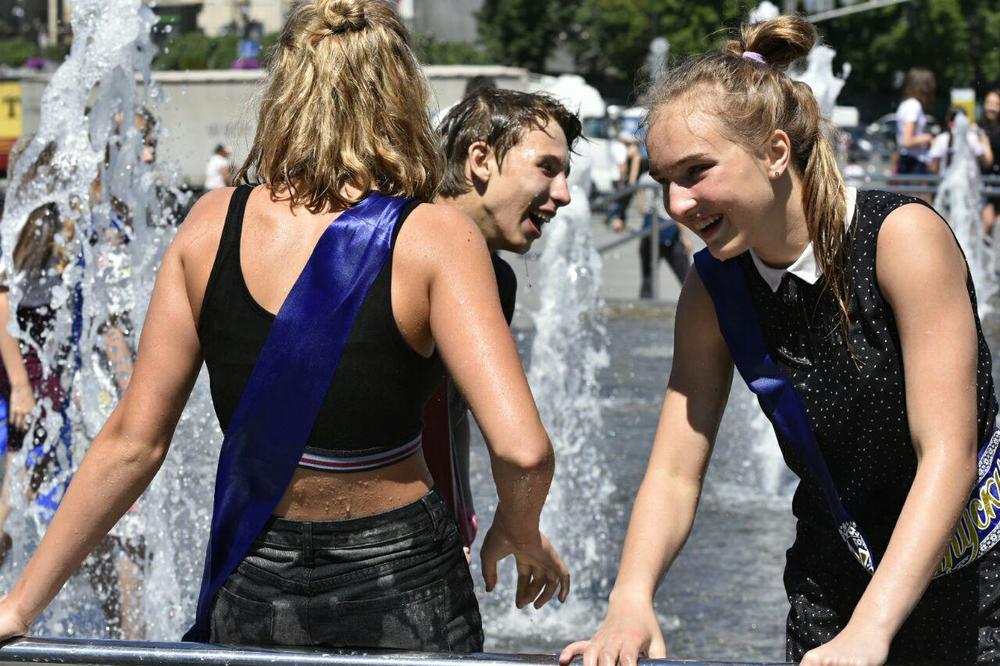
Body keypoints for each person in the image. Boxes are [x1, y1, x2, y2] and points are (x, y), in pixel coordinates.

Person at [0, 0, 569, 652]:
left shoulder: (209, 227)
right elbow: (524, 452)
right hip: (403, 575)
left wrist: (20, 603)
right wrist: (518, 528)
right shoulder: (436, 237)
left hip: (255, 569)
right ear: (402, 95)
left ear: (284, 92)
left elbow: (133, 443)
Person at [561, 16, 1000, 666]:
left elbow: (947, 453)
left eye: (696, 171)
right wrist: (630, 598)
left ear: (774, 151)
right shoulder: (712, 289)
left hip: (973, 585)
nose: (676, 204)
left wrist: (873, 628)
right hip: (834, 581)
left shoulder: (900, 239)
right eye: (662, 181)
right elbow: (674, 471)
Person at [425, 88, 581, 549]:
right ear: (481, 160)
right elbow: (524, 452)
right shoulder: (384, 246)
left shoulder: (496, 280)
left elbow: (452, 413)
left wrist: (459, 517)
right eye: (547, 168)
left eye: (565, 174)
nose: (564, 195)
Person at [894, 67, 936, 176]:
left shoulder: (906, 104)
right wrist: (927, 138)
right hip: (913, 163)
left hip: (908, 161)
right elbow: (907, 141)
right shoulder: (914, 106)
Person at [980, 90, 1000, 239]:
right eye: (988, 103)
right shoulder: (979, 128)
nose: (991, 108)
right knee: (987, 222)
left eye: (996, 104)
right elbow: (987, 162)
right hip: (985, 182)